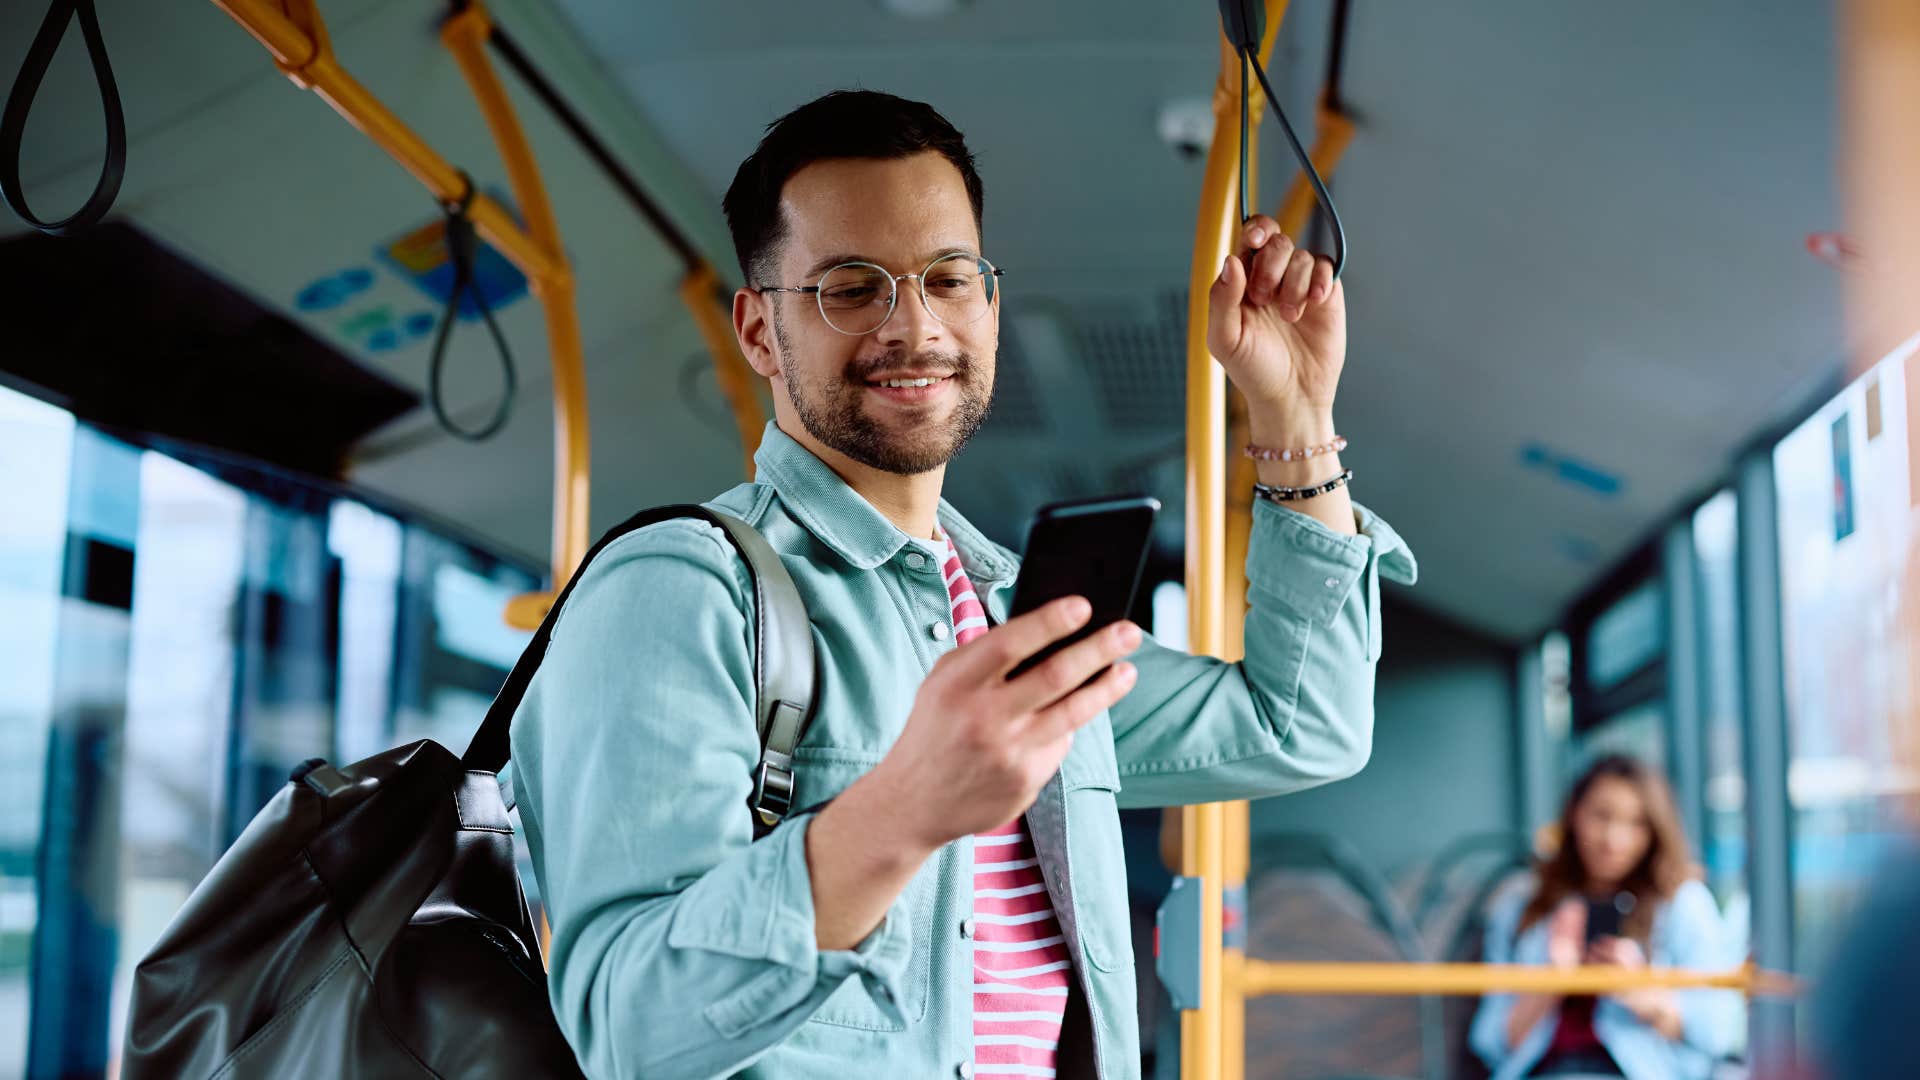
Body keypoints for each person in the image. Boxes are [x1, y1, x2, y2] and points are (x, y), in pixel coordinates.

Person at [509, 89, 1416, 1080]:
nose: (916, 326)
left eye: (948, 278)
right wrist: (900, 813)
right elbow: (622, 1027)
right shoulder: (677, 591)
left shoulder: (1009, 613)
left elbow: (1305, 723)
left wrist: (1291, 416)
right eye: (852, 289)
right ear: (760, 332)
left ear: (988, 302)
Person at [1471, 755, 1743, 1080]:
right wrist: (1552, 981)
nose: (1614, 840)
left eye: (1637, 822)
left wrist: (1644, 993)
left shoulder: (1682, 903)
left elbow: (1718, 1031)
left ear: (1655, 830)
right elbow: (1491, 1042)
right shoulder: (1524, 905)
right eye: (1601, 815)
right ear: (1574, 814)